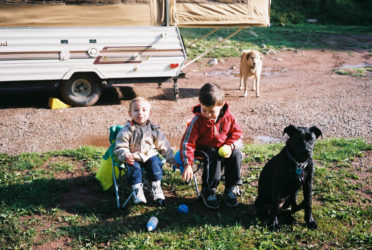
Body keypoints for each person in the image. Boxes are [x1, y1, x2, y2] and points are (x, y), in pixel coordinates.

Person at [180, 83, 243, 209]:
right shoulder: (197, 121)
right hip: (203, 148)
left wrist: (230, 146)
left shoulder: (229, 117)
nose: (207, 115)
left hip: (224, 147)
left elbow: (237, 134)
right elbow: (188, 142)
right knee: (213, 155)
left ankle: (231, 188)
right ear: (200, 104)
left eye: (211, 111)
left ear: (221, 105)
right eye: (204, 110)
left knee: (237, 154)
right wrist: (188, 164)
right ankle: (208, 190)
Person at [114, 97, 175, 205]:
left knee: (155, 163)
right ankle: (137, 190)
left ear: (150, 113)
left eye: (144, 110)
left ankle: (156, 186)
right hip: (133, 155)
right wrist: (126, 155)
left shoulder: (153, 129)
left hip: (149, 154)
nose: (140, 113)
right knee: (133, 167)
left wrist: (172, 159)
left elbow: (163, 145)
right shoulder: (126, 130)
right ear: (130, 113)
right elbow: (120, 146)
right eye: (136, 110)